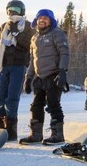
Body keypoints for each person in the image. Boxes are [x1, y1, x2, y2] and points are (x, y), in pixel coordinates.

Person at [19, 9, 71, 146]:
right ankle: (36, 134)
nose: (42, 20)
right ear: (36, 21)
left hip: (54, 75)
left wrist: (62, 71)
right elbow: (32, 60)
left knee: (53, 104)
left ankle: (57, 134)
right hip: (39, 77)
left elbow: (64, 53)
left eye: (46, 18)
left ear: (51, 21)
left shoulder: (57, 33)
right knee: (36, 106)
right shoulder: (34, 38)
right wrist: (28, 78)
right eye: (40, 18)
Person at [0, 0, 34, 142]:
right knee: (1, 95)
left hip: (18, 65)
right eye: (10, 9)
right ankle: (1, 127)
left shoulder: (28, 27)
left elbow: (29, 45)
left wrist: (16, 34)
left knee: (12, 97)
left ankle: (11, 130)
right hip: (3, 66)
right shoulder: (4, 27)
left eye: (15, 9)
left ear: (22, 11)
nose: (12, 12)